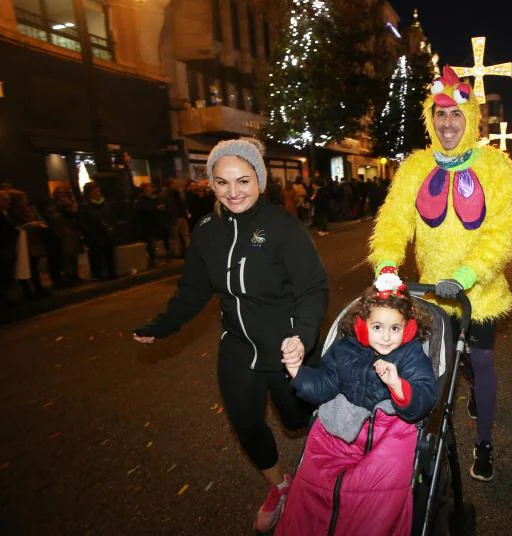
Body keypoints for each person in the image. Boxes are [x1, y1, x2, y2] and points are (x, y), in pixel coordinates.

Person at [132, 137, 329, 533]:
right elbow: (193, 290)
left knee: (297, 418)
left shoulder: (281, 226)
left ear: (259, 179)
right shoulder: (206, 230)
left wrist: (303, 337)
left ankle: (328, 467)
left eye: (243, 180)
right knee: (246, 424)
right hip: (237, 347)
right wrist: (163, 326)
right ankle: (280, 486)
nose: (233, 191)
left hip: (286, 345)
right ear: (212, 184)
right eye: (222, 182)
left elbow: (313, 287)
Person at [369, 65, 512, 482]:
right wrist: (386, 263)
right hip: (432, 295)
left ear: (469, 118)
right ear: (430, 118)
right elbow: (395, 221)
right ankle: (424, 441)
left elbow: (501, 232)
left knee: (482, 360)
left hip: (479, 292)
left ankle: (484, 441)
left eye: (455, 114)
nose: (447, 123)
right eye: (440, 114)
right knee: (438, 368)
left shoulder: (496, 167)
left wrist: (470, 274)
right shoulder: (414, 168)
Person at [276, 269, 437, 535]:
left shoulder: (410, 356)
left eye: (394, 328)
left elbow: (424, 398)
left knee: (373, 501)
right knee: (311, 487)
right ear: (363, 325)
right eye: (378, 327)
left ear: (407, 328)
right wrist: (298, 373)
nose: (386, 337)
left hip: (390, 435)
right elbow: (326, 384)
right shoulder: (345, 349)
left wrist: (398, 385)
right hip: (341, 427)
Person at [79, 182, 117, 280]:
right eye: (94, 191)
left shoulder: (105, 203)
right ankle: (98, 275)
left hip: (106, 233)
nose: (97, 193)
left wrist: (111, 226)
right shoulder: (85, 205)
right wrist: (88, 232)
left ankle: (111, 273)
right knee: (96, 256)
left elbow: (111, 216)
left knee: (109, 255)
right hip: (94, 234)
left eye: (98, 191)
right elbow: (84, 221)